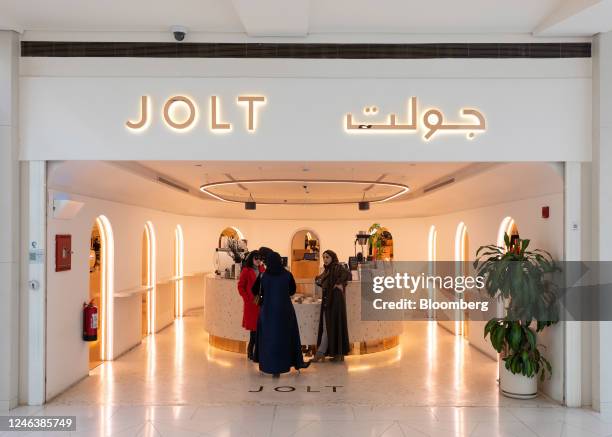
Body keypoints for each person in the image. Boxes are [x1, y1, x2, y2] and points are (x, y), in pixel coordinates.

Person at [257, 251, 309, 377]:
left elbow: (261, 292)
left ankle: (270, 366)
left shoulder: (264, 276)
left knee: (269, 338)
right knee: (286, 337)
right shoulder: (287, 275)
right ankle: (291, 363)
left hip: (268, 311)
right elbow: (292, 291)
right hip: (285, 311)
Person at [312, 249, 351, 362]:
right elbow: (320, 280)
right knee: (328, 327)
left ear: (332, 257)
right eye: (323, 257)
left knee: (333, 326)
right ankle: (333, 353)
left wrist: (339, 283)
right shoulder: (327, 270)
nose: (325, 259)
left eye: (327, 257)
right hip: (329, 301)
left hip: (336, 302)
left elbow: (347, 274)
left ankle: (322, 353)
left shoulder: (337, 267)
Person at [237, 250, 264, 360]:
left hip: (261, 303)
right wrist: (247, 299)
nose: (258, 260)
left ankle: (258, 352)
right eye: (255, 258)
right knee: (253, 330)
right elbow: (240, 287)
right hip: (251, 304)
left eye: (259, 258)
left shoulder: (262, 269)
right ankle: (250, 352)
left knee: (260, 329)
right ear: (251, 259)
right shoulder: (246, 271)